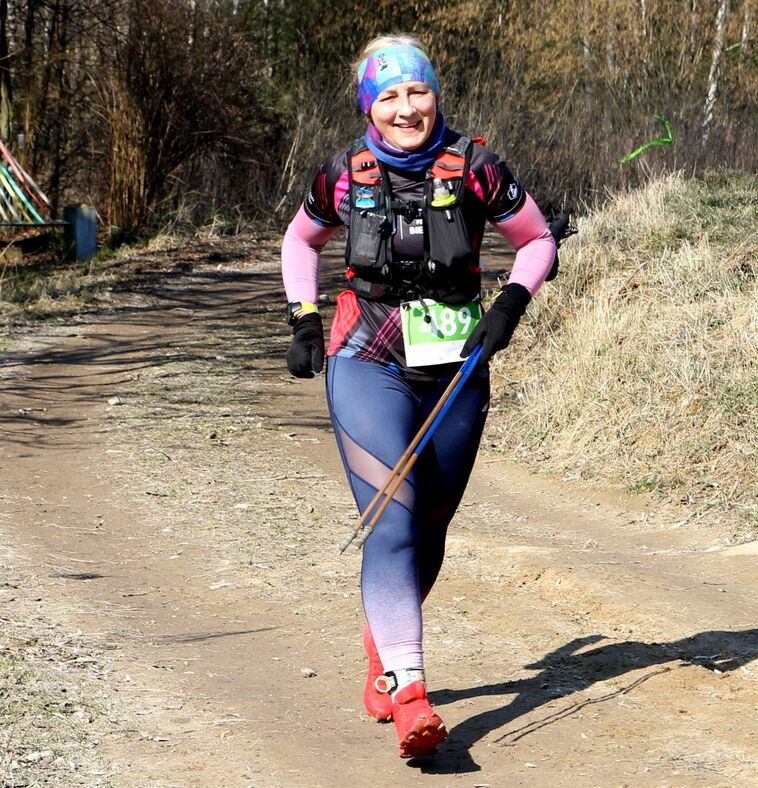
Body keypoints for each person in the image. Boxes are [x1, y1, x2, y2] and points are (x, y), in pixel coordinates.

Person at [280, 34, 556, 759]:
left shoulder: (477, 167)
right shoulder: (343, 172)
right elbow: (300, 241)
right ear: (369, 106)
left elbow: (536, 240)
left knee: (430, 522)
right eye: (390, 96)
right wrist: (304, 319)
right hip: (365, 352)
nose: (407, 108)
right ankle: (410, 695)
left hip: (456, 359)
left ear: (436, 94)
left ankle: (384, 648)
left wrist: (511, 304)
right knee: (392, 516)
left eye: (418, 91)